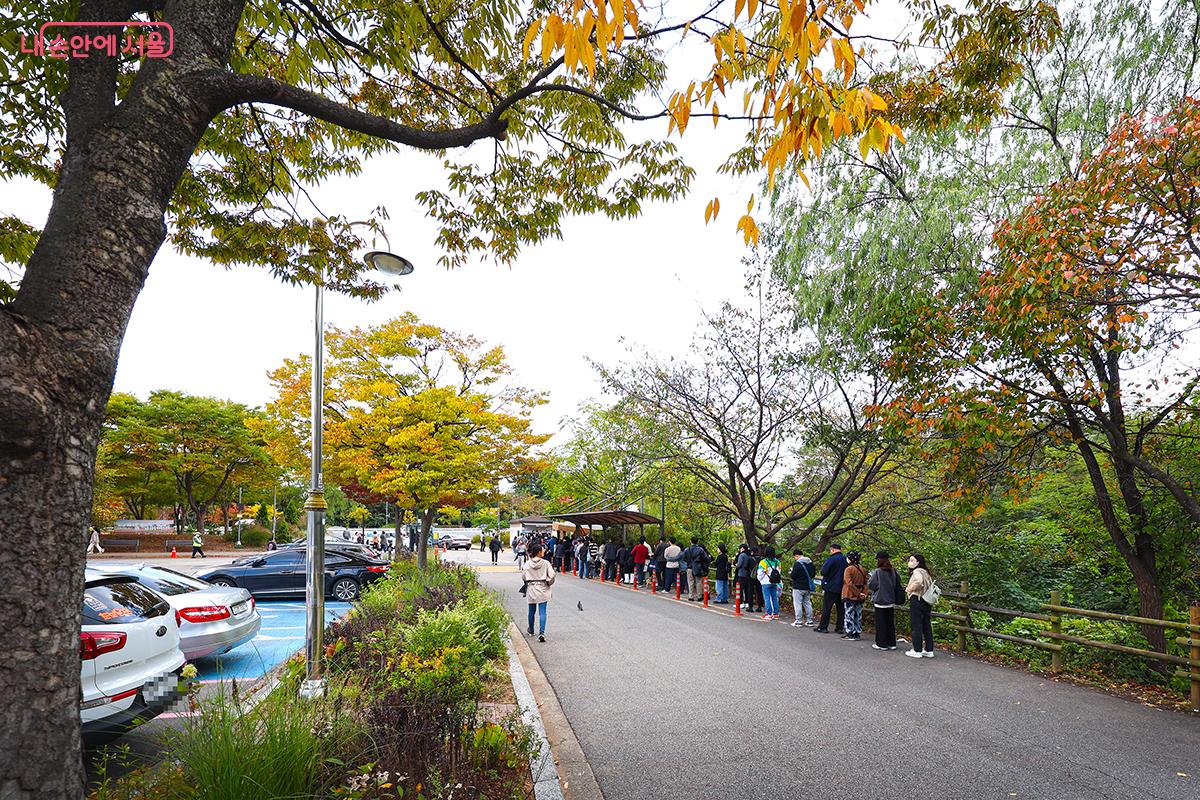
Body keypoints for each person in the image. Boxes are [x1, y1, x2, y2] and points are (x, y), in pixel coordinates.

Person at [868, 551, 903, 650]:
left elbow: (872, 585)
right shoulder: (894, 571)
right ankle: (891, 643)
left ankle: (881, 644)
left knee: (880, 623)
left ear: (879, 560)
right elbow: (897, 584)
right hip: (891, 600)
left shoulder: (877, 572)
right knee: (890, 623)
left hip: (880, 600)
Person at [521, 543, 556, 642]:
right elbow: (552, 574)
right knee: (542, 612)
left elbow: (523, 576)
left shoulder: (527, 563)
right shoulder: (546, 563)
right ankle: (541, 633)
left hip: (531, 588)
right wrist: (549, 582)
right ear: (539, 552)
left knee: (531, 611)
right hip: (543, 588)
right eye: (542, 550)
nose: (544, 551)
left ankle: (531, 630)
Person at [905, 553, 936, 658]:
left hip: (917, 599)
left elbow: (919, 582)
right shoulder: (926, 572)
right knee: (926, 625)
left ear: (918, 562)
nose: (910, 562)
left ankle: (917, 650)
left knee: (916, 625)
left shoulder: (917, 571)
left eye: (912, 560)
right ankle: (929, 649)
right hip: (926, 601)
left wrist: (909, 589)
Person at [815, 543, 847, 633]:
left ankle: (823, 627)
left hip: (831, 586)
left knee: (827, 608)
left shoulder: (832, 559)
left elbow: (824, 571)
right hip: (842, 587)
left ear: (832, 549)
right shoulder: (845, 559)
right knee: (841, 609)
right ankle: (839, 628)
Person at [841, 551, 869, 641]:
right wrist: (863, 593)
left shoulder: (848, 569)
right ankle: (857, 632)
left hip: (850, 594)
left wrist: (857, 593)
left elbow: (848, 583)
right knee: (858, 614)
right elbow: (865, 583)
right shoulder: (862, 569)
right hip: (860, 596)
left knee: (849, 613)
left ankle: (850, 632)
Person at [756, 546, 783, 620]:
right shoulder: (777, 561)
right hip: (775, 582)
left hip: (765, 582)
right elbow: (779, 572)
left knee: (767, 598)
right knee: (774, 597)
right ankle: (776, 614)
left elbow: (760, 574)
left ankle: (768, 614)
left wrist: (760, 580)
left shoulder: (763, 562)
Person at [790, 550, 815, 626]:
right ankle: (809, 620)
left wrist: (791, 572)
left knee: (798, 604)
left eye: (795, 557)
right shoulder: (810, 563)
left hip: (798, 587)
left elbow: (793, 576)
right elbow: (813, 575)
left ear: (797, 556)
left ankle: (798, 621)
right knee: (807, 603)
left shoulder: (797, 564)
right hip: (807, 587)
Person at [735, 544, 758, 612]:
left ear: (742, 548)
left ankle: (740, 602)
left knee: (740, 588)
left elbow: (739, 565)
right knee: (747, 589)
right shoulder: (749, 555)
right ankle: (746, 602)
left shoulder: (742, 555)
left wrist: (736, 565)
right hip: (748, 575)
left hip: (741, 574)